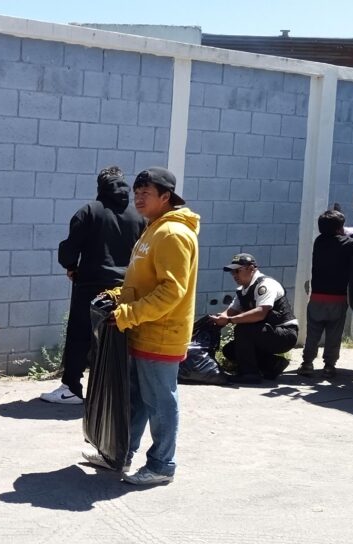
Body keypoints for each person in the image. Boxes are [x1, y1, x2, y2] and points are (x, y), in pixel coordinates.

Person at [81, 167, 200, 486]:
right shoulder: (154, 229)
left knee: (160, 402)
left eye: (146, 193)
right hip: (143, 330)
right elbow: (144, 283)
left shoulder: (173, 234)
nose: (138, 198)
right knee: (136, 400)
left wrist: (129, 314)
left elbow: (171, 291)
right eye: (137, 192)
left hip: (161, 334)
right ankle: (121, 453)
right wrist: (117, 296)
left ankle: (162, 465)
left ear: (166, 196)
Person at [41, 166, 145, 404]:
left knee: (80, 336)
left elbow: (70, 248)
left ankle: (71, 388)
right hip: (125, 288)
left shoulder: (89, 211)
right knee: (117, 339)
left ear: (100, 185)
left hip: (90, 285)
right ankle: (114, 391)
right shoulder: (138, 217)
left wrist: (71, 267)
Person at [297, 208, 353, 378]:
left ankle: (307, 364)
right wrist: (352, 234)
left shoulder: (319, 242)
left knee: (313, 334)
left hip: (316, 298)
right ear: (339, 228)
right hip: (338, 299)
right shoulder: (346, 243)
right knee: (334, 336)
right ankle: (329, 366)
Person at [212, 253, 298, 384]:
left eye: (237, 271)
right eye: (232, 272)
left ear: (251, 268)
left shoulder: (265, 285)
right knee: (230, 350)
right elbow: (229, 312)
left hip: (285, 334)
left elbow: (260, 313)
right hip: (265, 332)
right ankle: (273, 364)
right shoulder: (242, 290)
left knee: (243, 330)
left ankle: (249, 374)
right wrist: (215, 321)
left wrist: (230, 320)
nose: (234, 275)